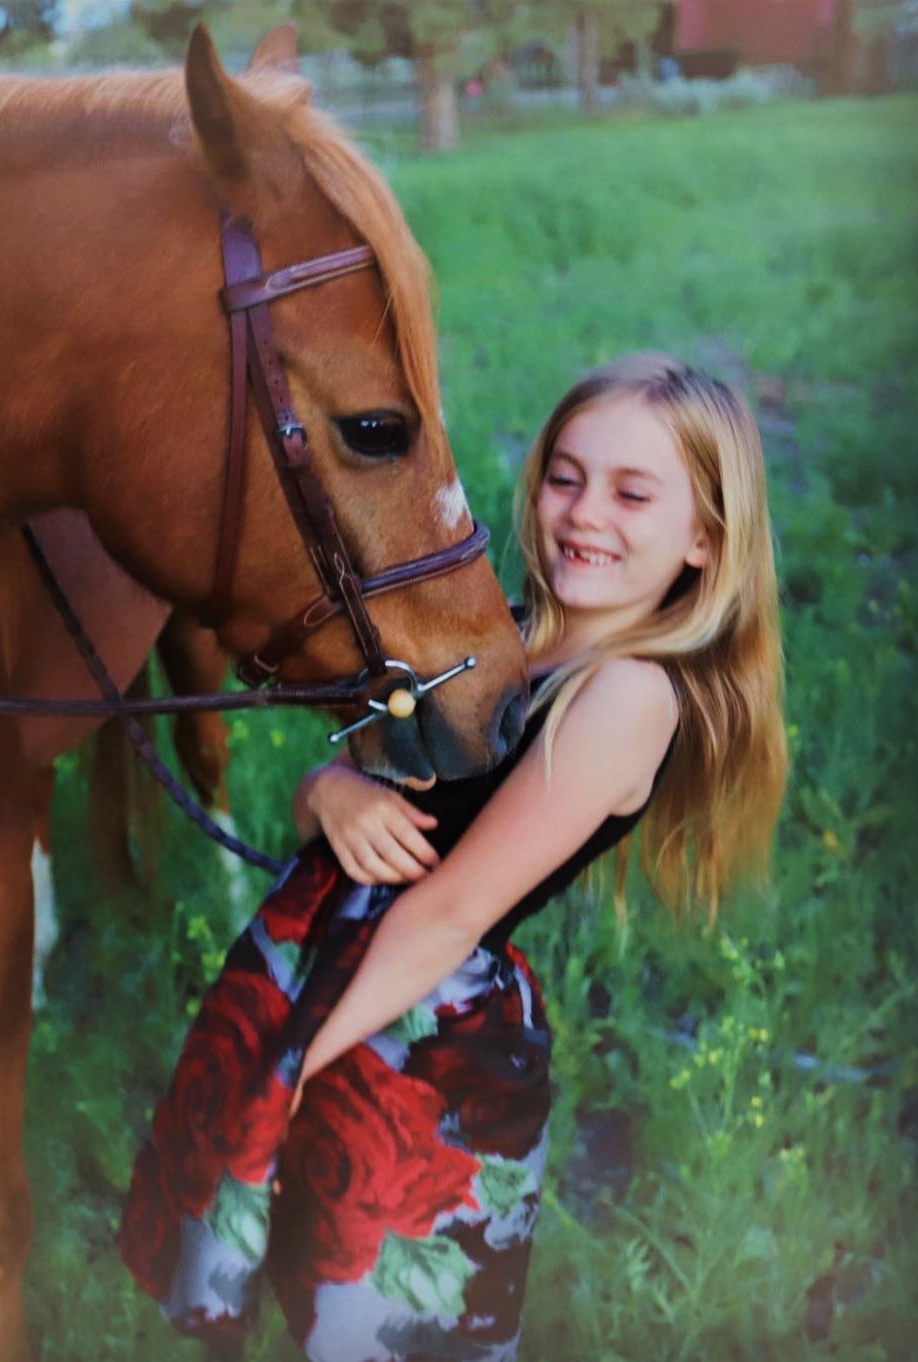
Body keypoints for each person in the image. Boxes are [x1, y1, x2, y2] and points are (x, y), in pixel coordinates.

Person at [119, 354, 788, 1362]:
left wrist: (294, 1060)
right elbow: (354, 788)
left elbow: (453, 911)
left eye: (632, 492)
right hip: (337, 981)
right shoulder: (501, 639)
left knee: (383, 1327)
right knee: (292, 1293)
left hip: (413, 1031)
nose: (585, 513)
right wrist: (326, 792)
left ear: (704, 538)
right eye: (566, 475)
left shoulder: (629, 695)